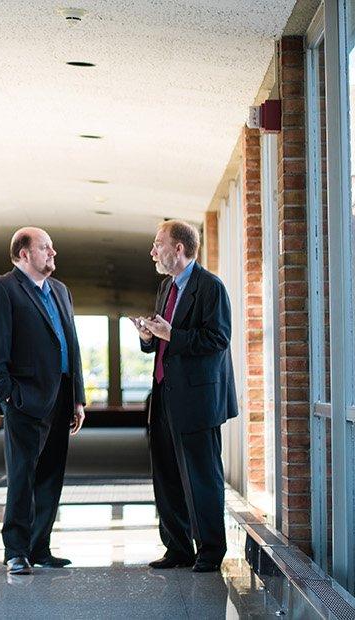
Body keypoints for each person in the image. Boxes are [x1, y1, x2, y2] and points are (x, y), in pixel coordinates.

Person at [0, 227, 87, 576]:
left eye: (52, 247)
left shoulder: (60, 291)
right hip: (25, 399)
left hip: (61, 398)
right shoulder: (2, 289)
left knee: (51, 476)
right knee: (22, 476)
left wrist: (78, 399)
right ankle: (16, 551)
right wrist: (8, 396)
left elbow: (72, 346)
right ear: (24, 254)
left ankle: (41, 547)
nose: (53, 253)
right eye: (45, 248)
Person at [132, 220, 237, 573]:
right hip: (163, 395)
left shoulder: (211, 287)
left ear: (179, 249)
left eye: (158, 243)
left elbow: (218, 339)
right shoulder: (166, 287)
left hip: (197, 401)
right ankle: (177, 548)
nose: (152, 251)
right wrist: (149, 338)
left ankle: (210, 551)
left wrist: (172, 334)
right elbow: (164, 341)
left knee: (201, 477)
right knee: (166, 475)